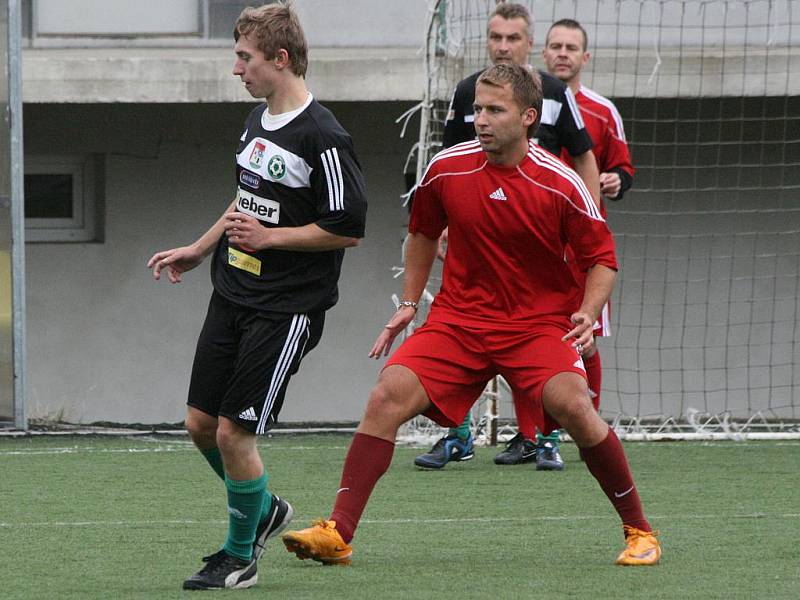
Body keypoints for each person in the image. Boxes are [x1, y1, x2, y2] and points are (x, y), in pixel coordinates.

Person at [282, 63, 661, 568]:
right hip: (459, 322)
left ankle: (640, 531)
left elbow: (602, 261)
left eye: (494, 110)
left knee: (574, 406)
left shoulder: (561, 183)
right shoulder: (445, 168)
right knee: (385, 397)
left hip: (536, 326)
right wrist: (411, 302)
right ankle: (338, 534)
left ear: (528, 117)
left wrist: (589, 313)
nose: (480, 120)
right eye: (478, 109)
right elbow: (420, 234)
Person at [147, 2, 367, 590]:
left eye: (244, 58)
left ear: (281, 58)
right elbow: (246, 198)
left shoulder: (323, 135)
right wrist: (199, 248)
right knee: (199, 423)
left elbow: (348, 226)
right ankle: (265, 508)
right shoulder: (255, 121)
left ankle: (238, 555)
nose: (236, 68)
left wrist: (273, 238)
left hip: (285, 309)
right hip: (231, 294)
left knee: (232, 432)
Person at [415, 1, 600, 471]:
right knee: (458, 332)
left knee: (549, 337)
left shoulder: (555, 92)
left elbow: (582, 157)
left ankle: (544, 436)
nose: (502, 46)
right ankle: (457, 435)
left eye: (512, 38)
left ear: (528, 44)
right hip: (478, 236)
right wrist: (441, 230)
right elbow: (449, 163)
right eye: (495, 37)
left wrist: (589, 219)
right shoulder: (466, 92)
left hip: (543, 240)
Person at [542, 17, 636, 437]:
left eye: (571, 47)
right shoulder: (530, 105)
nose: (562, 53)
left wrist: (616, 180)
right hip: (536, 238)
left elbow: (621, 167)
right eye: (555, 46)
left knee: (585, 332)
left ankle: (586, 425)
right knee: (534, 331)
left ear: (585, 56)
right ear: (542, 53)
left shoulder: (602, 111)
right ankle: (539, 435)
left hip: (581, 244)